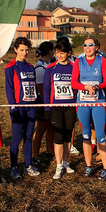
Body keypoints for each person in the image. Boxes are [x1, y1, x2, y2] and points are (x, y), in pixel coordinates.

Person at [71, 36, 106, 180]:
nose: (87, 48)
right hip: (83, 102)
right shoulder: (78, 61)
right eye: (85, 45)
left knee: (100, 135)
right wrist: (84, 87)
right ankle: (88, 166)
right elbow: (73, 82)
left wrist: (96, 86)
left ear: (96, 47)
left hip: (98, 102)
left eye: (91, 45)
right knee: (86, 134)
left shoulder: (102, 60)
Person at [5, 37, 40, 179]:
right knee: (17, 137)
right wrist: (13, 107)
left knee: (28, 137)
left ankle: (28, 165)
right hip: (18, 108)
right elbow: (9, 88)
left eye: (27, 50)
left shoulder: (31, 66)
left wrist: (38, 104)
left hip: (31, 106)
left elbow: (35, 87)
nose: (24, 53)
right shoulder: (10, 67)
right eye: (22, 50)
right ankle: (14, 167)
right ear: (15, 49)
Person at [43, 39, 76, 179]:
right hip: (56, 107)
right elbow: (46, 89)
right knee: (59, 136)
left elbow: (77, 87)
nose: (59, 55)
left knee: (68, 135)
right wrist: (47, 108)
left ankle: (65, 161)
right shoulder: (50, 68)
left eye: (62, 53)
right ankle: (58, 165)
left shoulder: (75, 67)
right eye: (57, 53)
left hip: (70, 106)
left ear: (68, 53)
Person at [32, 41, 55, 165]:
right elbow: (41, 89)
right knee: (41, 129)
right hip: (42, 102)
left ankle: (49, 152)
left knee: (51, 127)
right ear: (50, 52)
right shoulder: (40, 68)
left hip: (49, 102)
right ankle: (35, 155)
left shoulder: (47, 65)